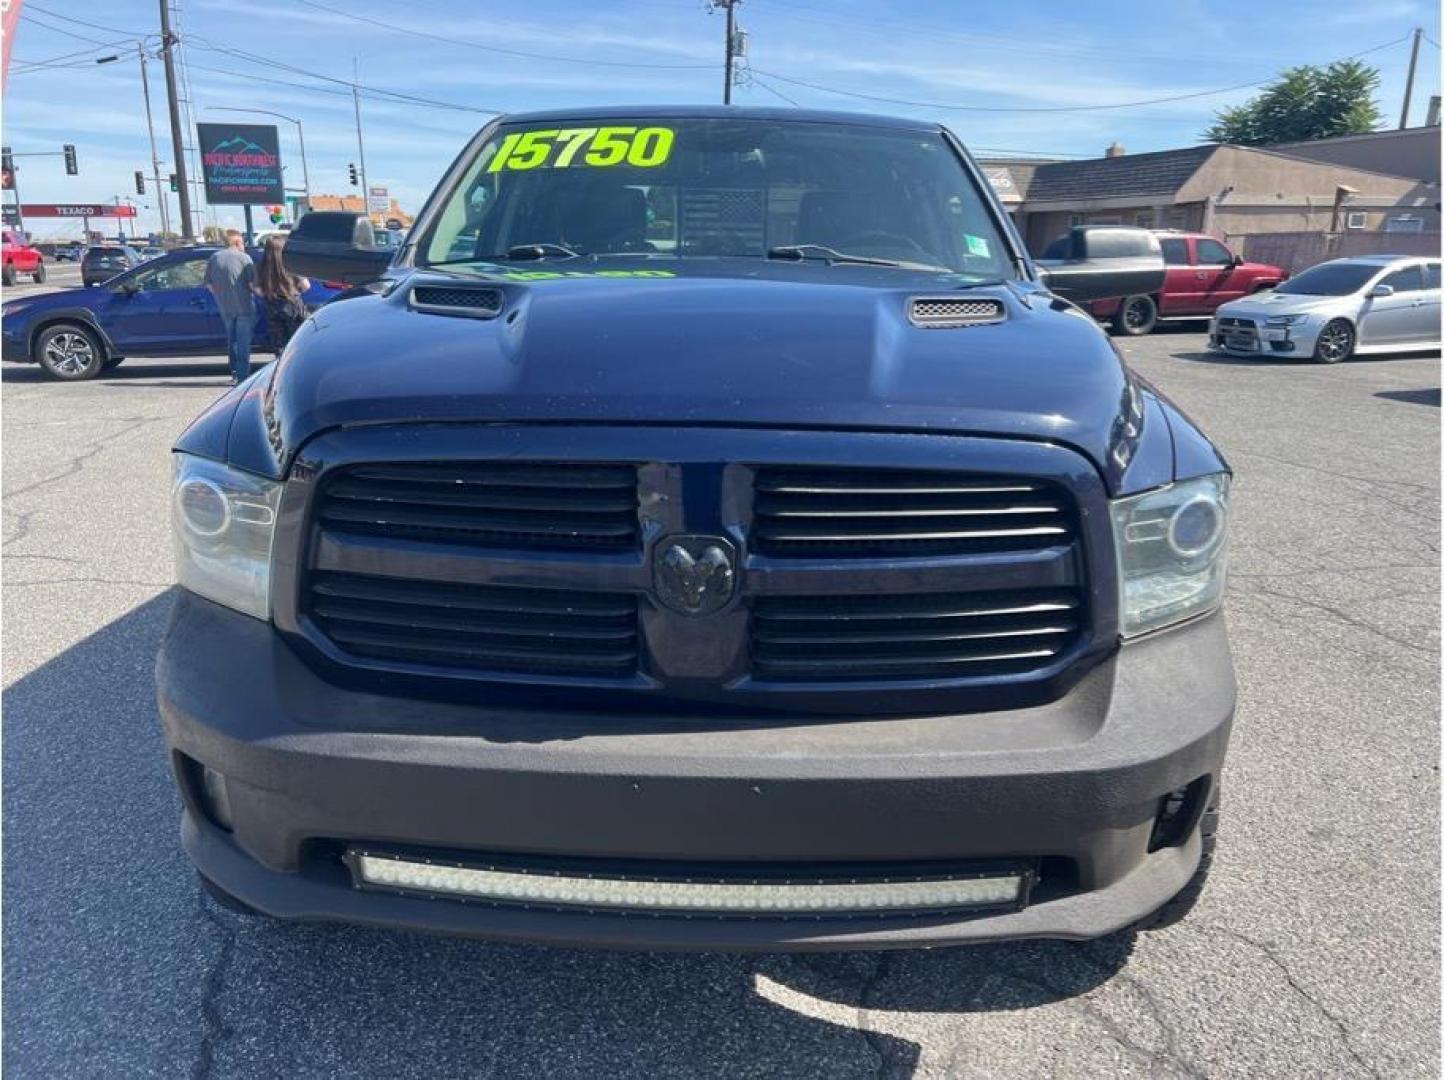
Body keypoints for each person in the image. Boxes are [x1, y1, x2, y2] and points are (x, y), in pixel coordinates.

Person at [204, 229, 257, 385]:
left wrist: (221, 295)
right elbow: (252, 285)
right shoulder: (244, 258)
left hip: (225, 306)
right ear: (237, 242)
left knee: (232, 339)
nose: (244, 245)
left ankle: (234, 371)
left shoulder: (214, 258)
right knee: (243, 342)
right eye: (242, 242)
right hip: (244, 306)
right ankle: (243, 378)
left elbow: (209, 284)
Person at [257, 234, 310, 356]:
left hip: (272, 306)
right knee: (296, 344)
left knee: (280, 346)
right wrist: (295, 291)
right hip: (292, 306)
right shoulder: (291, 264)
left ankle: (281, 369)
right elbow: (306, 286)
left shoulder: (262, 267)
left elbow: (258, 290)